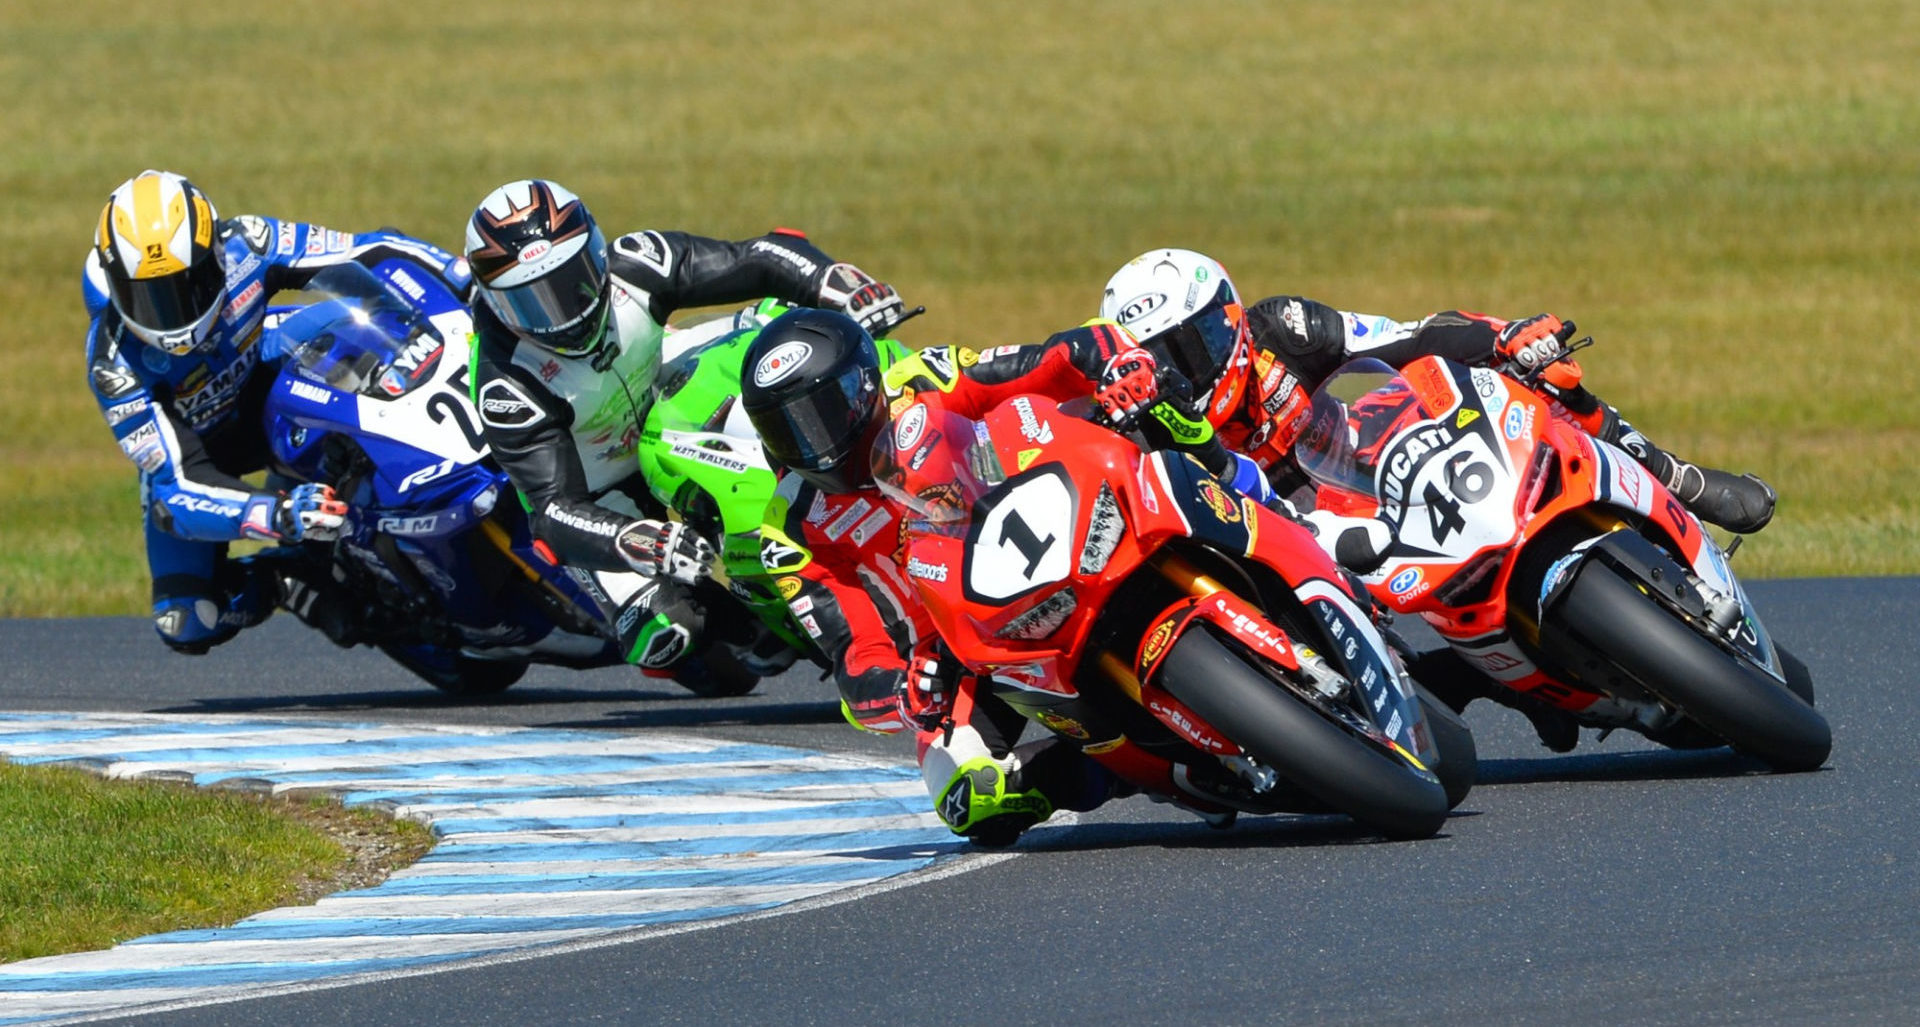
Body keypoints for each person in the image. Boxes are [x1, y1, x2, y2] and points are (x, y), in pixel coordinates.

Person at [1097, 247, 1780, 751]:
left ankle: (1674, 476)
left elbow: (1401, 338)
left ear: (1229, 316)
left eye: (1201, 338)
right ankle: (1517, 684)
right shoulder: (1149, 431)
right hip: (1294, 534)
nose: (1194, 365)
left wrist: (1502, 338)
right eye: (1169, 360)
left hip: (1372, 452)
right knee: (1375, 641)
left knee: (1545, 377)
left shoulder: (1281, 327)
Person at [742, 307, 1239, 845]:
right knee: (970, 799)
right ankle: (1135, 767)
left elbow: (1049, 360)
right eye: (787, 428)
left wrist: (1117, 365)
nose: (811, 443)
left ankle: (1291, 540)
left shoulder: (924, 379)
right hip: (963, 643)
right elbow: (854, 658)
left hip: (1053, 517)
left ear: (864, 385)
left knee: (1161, 447)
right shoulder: (789, 533)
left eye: (823, 413)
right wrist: (902, 689)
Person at [463, 179, 912, 675]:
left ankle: (907, 435)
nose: (562, 315)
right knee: (664, 630)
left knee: (773, 326)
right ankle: (749, 627)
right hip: (600, 490)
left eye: (573, 285)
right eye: (532, 303)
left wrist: (837, 283)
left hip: (664, 385)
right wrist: (636, 538)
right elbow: (553, 510)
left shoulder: (636, 264)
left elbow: (759, 255)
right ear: (495, 301)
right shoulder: (506, 384)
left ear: (594, 251)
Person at [84, 169, 472, 654]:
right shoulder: (114, 366)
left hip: (277, 367)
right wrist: (278, 514)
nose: (172, 315)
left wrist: (459, 278)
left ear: (215, 258)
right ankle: (286, 578)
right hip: (206, 455)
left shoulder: (251, 243)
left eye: (187, 286)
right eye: (149, 298)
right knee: (185, 619)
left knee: (375, 331)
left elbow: (367, 251)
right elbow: (177, 486)